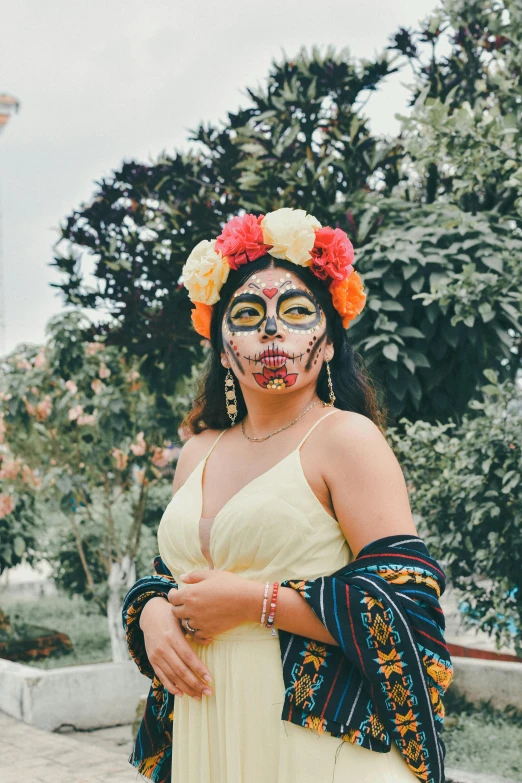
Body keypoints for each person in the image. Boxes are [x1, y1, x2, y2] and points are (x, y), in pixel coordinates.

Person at [123, 208, 453, 783]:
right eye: (248, 315)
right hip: (206, 724)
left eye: (297, 313)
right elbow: (171, 574)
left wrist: (257, 603)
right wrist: (151, 612)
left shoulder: (345, 439)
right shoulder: (199, 449)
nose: (272, 331)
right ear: (223, 349)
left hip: (309, 738)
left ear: (327, 344)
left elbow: (409, 603)